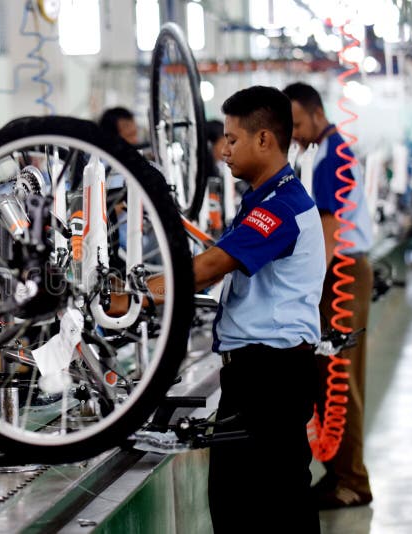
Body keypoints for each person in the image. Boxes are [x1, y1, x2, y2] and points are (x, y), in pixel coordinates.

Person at [133, 86, 323, 532]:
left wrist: (139, 295)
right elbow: (219, 265)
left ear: (264, 140)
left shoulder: (281, 208)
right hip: (263, 374)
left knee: (256, 503)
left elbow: (212, 266)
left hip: (268, 378)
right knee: (266, 498)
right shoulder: (263, 200)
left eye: (232, 139)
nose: (222, 151)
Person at [283, 82, 374, 509]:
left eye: (298, 123)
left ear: (317, 113)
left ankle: (352, 482)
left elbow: (329, 233)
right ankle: (340, 473)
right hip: (346, 270)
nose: (295, 134)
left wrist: (298, 283)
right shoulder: (327, 151)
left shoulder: (330, 155)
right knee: (332, 377)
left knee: (339, 379)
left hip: (342, 274)